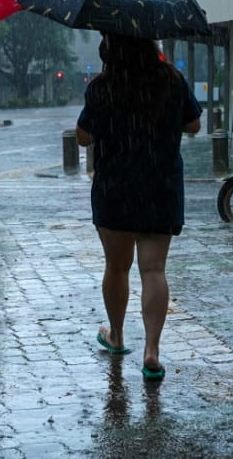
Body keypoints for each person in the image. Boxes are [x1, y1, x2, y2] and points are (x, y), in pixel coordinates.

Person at [75, 33, 202, 381]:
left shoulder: (103, 85)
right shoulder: (171, 80)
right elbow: (194, 124)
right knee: (154, 270)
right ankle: (152, 350)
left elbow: (83, 136)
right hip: (159, 187)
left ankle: (116, 335)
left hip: (115, 187)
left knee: (117, 268)